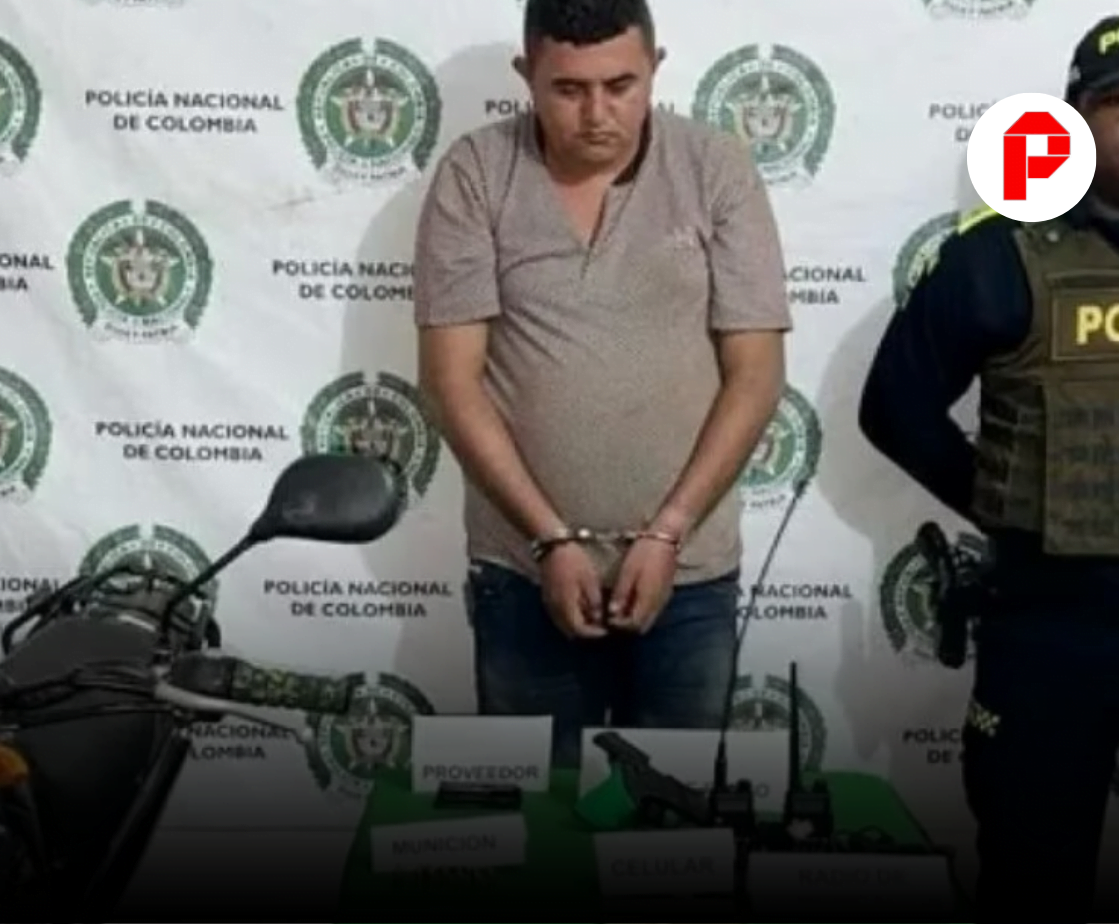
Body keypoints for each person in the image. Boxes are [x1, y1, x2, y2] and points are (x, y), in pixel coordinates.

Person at [412, 0, 790, 766]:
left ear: (655, 68)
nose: (596, 114)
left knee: (676, 818)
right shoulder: (476, 172)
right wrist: (549, 539)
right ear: (526, 75)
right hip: (523, 572)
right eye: (568, 89)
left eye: (620, 86)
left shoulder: (715, 168)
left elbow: (756, 376)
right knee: (532, 817)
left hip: (689, 572)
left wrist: (669, 532)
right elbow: (452, 383)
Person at [858, 17, 1119, 921]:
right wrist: (1003, 496)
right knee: (1033, 878)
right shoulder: (998, 255)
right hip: (1053, 629)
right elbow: (895, 408)